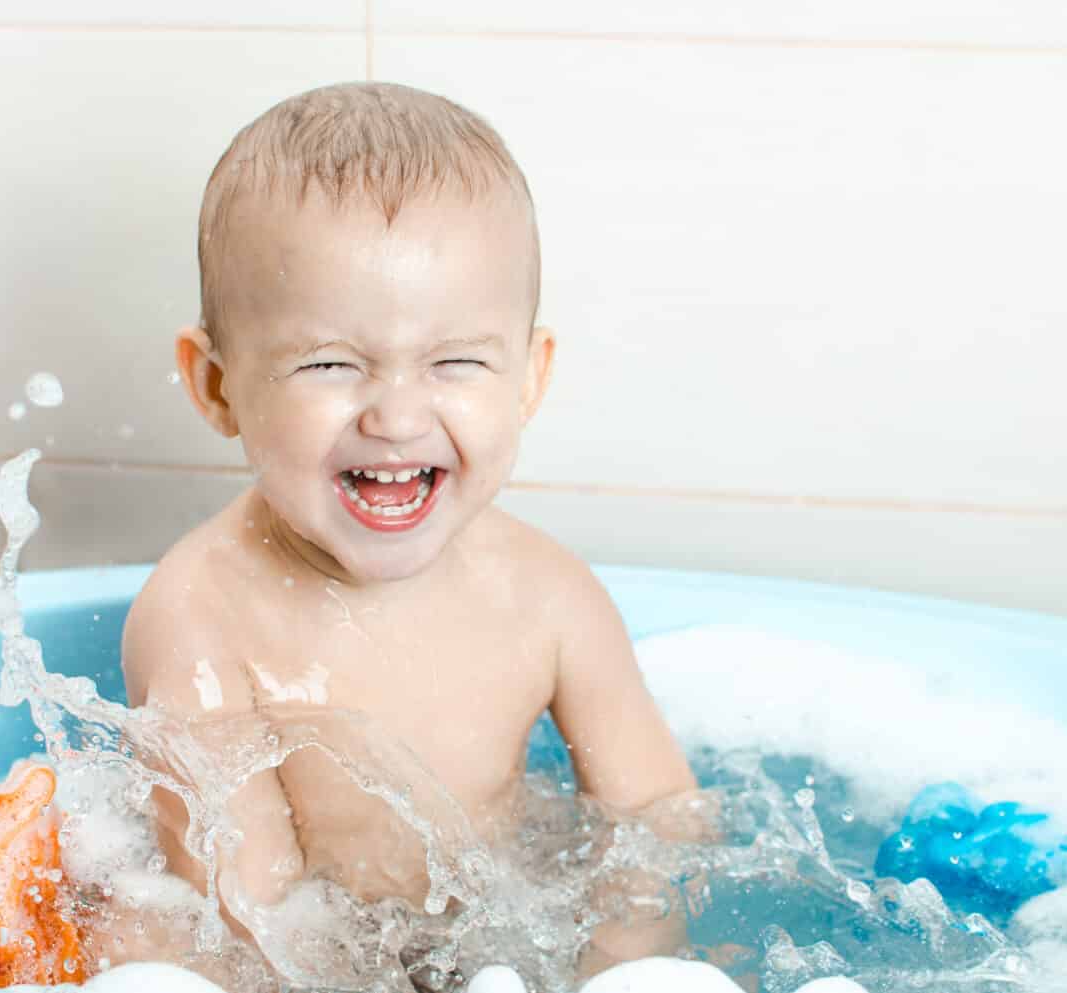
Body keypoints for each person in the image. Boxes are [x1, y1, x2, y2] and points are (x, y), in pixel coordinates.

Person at [121, 81, 699, 984]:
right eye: (330, 363)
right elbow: (246, 914)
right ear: (216, 385)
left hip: (502, 942)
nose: (396, 416)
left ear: (528, 379)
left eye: (456, 361)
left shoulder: (547, 596)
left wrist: (617, 962)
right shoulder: (199, 616)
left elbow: (659, 821)